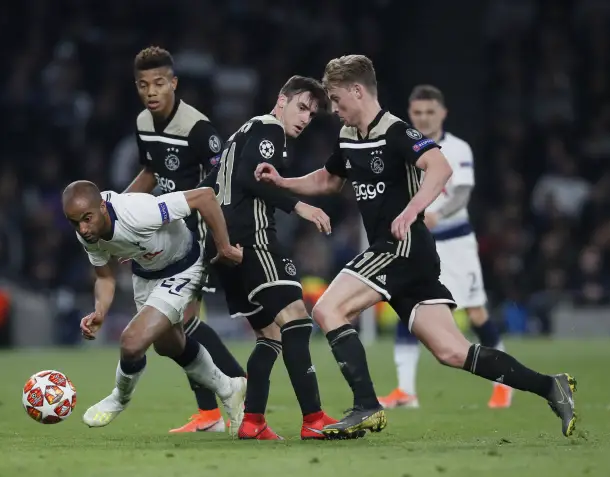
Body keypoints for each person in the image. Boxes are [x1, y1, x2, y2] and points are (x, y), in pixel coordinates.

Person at [255, 55, 577, 438]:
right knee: (452, 352)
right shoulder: (348, 137)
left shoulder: (395, 131)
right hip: (404, 255)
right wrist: (283, 182)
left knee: (327, 309)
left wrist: (411, 210)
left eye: (338, 99)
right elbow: (328, 180)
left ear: (358, 91)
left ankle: (366, 406)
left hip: (402, 247)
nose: (334, 109)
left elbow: (440, 167)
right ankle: (550, 386)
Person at [200, 75, 349, 440]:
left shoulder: (241, 134)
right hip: (253, 241)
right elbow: (254, 180)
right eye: (301, 107)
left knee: (269, 336)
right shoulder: (269, 129)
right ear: (281, 100)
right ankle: (314, 418)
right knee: (297, 321)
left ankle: (253, 422)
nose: (304, 118)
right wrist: (301, 206)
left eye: (312, 115)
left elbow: (211, 185)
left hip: (224, 248)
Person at [125, 45, 246, 433]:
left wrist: (221, 240)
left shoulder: (198, 129)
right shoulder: (144, 121)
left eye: (159, 83)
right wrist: (121, 211)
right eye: (143, 85)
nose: (151, 91)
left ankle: (241, 389)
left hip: (194, 236)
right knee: (179, 326)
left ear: (174, 83)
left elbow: (217, 187)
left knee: (183, 323)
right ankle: (211, 412)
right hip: (160, 236)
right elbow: (150, 171)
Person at [62, 180, 246, 434]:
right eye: (75, 222)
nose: (82, 228)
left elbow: (204, 196)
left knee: (131, 342)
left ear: (103, 207)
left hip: (183, 268)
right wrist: (100, 311)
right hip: (146, 274)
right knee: (168, 346)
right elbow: (105, 277)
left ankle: (119, 397)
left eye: (87, 218)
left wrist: (224, 246)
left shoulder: (138, 211)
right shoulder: (87, 232)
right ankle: (230, 389)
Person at [379, 85, 513, 410]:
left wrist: (438, 213)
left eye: (430, 112)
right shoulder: (403, 147)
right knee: (407, 309)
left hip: (455, 243)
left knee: (476, 312)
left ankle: (504, 382)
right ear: (410, 114)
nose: (424, 118)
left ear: (443, 113)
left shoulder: (458, 148)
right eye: (418, 113)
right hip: (419, 243)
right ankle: (406, 391)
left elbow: (463, 194)